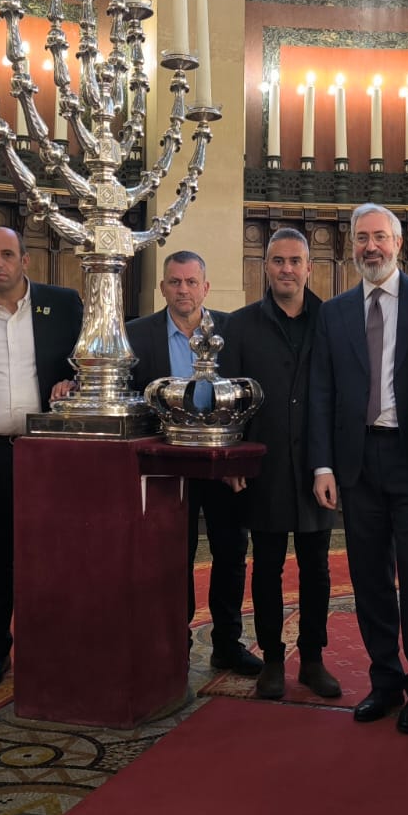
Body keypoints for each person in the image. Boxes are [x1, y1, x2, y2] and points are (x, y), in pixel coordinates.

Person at [308, 203, 408, 733]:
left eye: (380, 237)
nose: (371, 247)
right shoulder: (335, 311)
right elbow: (321, 391)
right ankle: (384, 679)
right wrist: (323, 465)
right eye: (361, 238)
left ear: (400, 243)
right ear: (351, 246)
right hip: (356, 460)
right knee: (369, 575)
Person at [0, 227, 82, 689]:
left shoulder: (62, 304)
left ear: (25, 260)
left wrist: (74, 384)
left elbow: (85, 365)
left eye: (7, 254)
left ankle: (50, 646)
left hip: (47, 453)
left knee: (51, 554)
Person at [219, 228, 341, 700]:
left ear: (310, 267)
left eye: (295, 261)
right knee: (265, 566)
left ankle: (312, 659)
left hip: (316, 464)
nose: (286, 269)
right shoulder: (241, 324)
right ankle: (272, 659)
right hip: (264, 464)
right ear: (265, 267)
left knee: (317, 568)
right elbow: (228, 399)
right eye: (278, 261)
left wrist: (331, 462)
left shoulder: (330, 320)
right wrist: (231, 458)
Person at [127, 251, 261, 676]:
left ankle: (227, 642)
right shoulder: (137, 334)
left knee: (231, 552)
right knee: (172, 556)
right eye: (174, 282)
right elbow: (130, 401)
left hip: (224, 469)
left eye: (190, 282)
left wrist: (241, 459)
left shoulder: (234, 330)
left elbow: (250, 399)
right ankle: (174, 643)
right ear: (163, 287)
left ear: (205, 286)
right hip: (168, 468)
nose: (182, 290)